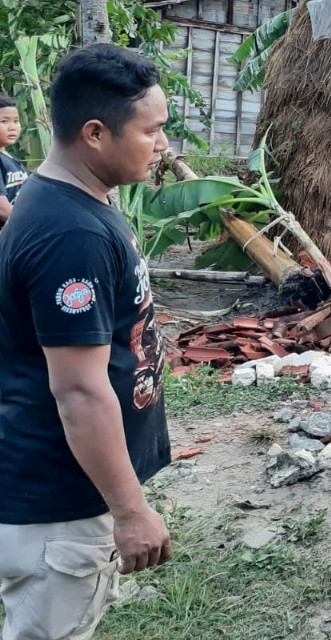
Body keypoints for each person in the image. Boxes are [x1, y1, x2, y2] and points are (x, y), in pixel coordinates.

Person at [0, 43, 173, 640]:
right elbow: (77, 390)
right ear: (96, 132)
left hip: (70, 490)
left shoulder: (77, 200)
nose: (164, 146)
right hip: (60, 502)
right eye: (152, 132)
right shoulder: (68, 230)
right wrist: (129, 512)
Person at [0, 94, 28, 226]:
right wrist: (31, 224)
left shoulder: (11, 160)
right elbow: (2, 209)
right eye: (4, 121)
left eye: (16, 121)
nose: (12, 127)